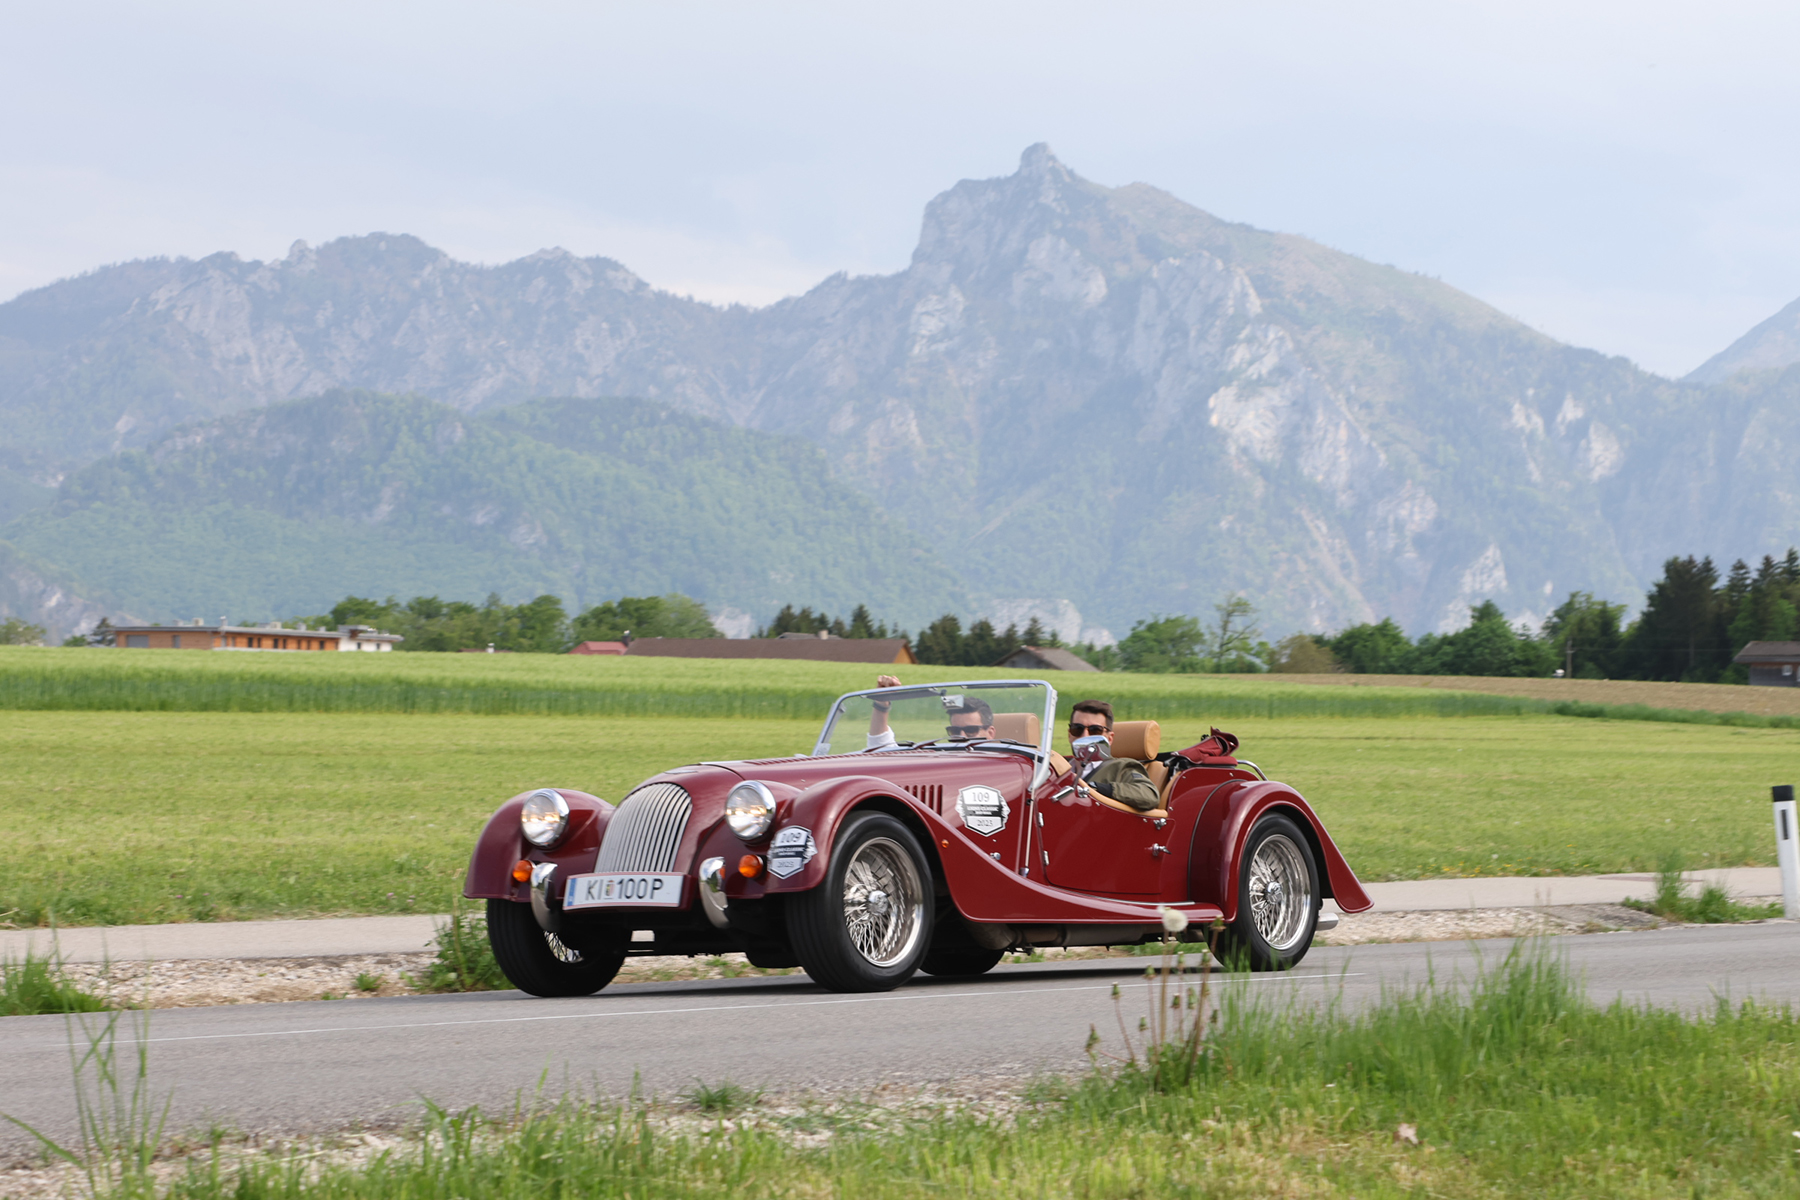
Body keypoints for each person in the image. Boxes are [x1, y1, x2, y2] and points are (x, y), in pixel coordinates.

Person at [1065, 699, 1162, 812]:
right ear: (1070, 735)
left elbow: (1149, 794)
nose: (1085, 736)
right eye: (1077, 729)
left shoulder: (1122, 767)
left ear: (1109, 739)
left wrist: (1098, 788)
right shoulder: (1059, 767)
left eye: (1095, 730)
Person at [866, 674, 995, 749]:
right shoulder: (942, 757)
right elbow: (881, 748)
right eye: (955, 731)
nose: (962, 737)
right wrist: (882, 702)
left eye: (971, 730)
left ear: (990, 733)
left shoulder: (1002, 762)